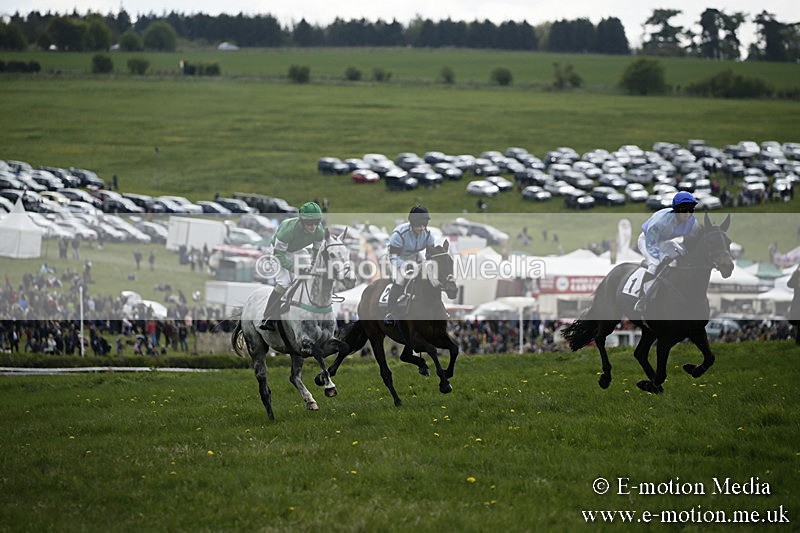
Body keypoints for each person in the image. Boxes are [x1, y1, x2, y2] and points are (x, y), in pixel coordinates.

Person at [259, 201, 325, 331]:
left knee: (311, 277)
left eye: (316, 222)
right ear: (301, 220)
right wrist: (294, 269)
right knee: (285, 282)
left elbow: (316, 252)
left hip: (297, 250)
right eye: (309, 223)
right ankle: (268, 317)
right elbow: (279, 255)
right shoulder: (288, 230)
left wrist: (312, 265)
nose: (313, 226)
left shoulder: (319, 231)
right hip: (278, 252)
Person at [634, 191, 701, 312]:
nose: (687, 213)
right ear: (676, 209)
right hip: (647, 240)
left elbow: (692, 240)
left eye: (690, 209)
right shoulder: (660, 221)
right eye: (684, 209)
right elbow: (651, 244)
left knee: (681, 257)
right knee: (655, 264)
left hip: (664, 242)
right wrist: (661, 256)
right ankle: (642, 299)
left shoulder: (692, 222)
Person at [384, 206, 435, 326]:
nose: (422, 228)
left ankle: (437, 307)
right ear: (412, 223)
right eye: (419, 225)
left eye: (424, 224)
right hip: (396, 257)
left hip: (414, 255)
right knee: (400, 279)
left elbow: (430, 256)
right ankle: (389, 313)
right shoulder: (400, 234)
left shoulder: (428, 235)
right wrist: (406, 266)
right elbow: (393, 257)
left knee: (432, 276)